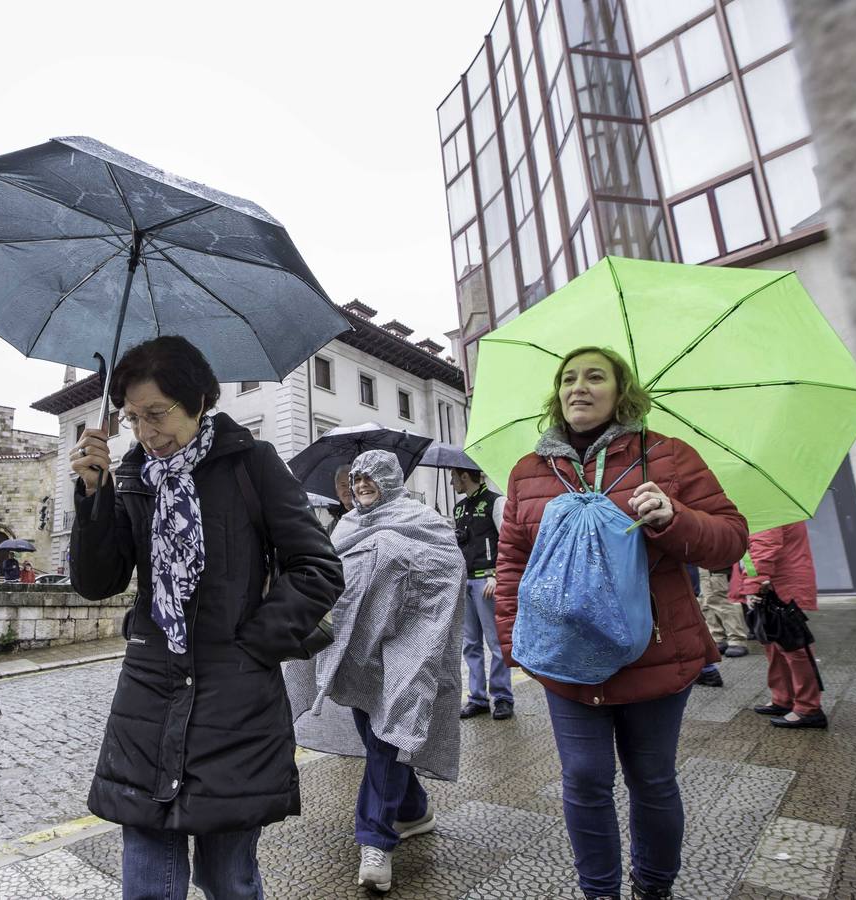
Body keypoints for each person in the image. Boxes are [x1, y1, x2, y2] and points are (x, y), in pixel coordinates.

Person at [68, 335, 344, 900]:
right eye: (133, 418)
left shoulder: (252, 464)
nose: (146, 431)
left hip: (235, 697)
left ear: (197, 401)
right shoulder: (131, 476)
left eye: (157, 414)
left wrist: (256, 645)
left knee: (228, 879)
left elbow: (317, 566)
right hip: (148, 692)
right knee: (146, 880)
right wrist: (92, 495)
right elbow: (99, 581)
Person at [495, 346, 748, 900]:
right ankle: (599, 892)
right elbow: (513, 560)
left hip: (653, 651)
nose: (578, 387)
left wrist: (674, 518)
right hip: (565, 656)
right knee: (584, 778)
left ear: (621, 390)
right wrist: (515, 642)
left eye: (594, 377)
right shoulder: (530, 471)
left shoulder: (668, 458)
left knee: (652, 780)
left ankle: (653, 888)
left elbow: (730, 538)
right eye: (567, 379)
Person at [287, 450, 464, 894]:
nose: (361, 486)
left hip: (408, 645)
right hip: (360, 651)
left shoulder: (421, 518)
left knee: (388, 739)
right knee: (376, 735)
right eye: (355, 480)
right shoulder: (347, 526)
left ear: (389, 479)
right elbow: (328, 576)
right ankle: (414, 810)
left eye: (369, 479)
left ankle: (375, 838)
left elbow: (449, 568)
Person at [731, 522, 824, 729]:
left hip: (780, 585)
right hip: (773, 585)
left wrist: (753, 585)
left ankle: (808, 708)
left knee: (795, 647)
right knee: (774, 644)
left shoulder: (764, 509)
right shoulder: (766, 507)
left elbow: (765, 545)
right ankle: (783, 698)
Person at [451, 465, 513, 720]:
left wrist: (498, 576)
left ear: (465, 476)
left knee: (496, 643)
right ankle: (477, 697)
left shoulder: (496, 503)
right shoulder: (459, 508)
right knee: (470, 644)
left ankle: (502, 697)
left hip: (487, 584)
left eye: (453, 477)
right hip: (465, 582)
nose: (452, 482)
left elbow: (509, 543)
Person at [699, 567, 748, 658]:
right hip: (704, 567)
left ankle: (737, 639)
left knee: (723, 601)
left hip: (715, 567)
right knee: (707, 602)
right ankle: (718, 638)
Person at [326, 463, 354, 535]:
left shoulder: (369, 516)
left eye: (351, 484)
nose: (348, 489)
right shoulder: (332, 526)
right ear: (337, 491)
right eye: (343, 485)